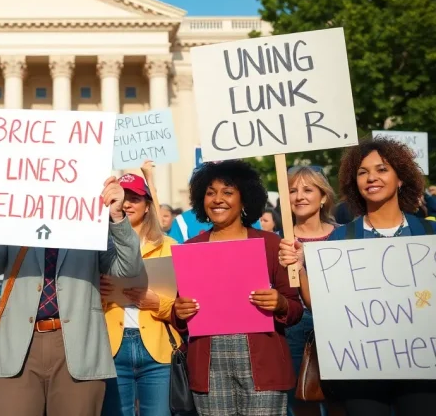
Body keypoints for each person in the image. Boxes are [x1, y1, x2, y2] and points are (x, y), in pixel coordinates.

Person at [0, 173, 143, 416]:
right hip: (17, 346)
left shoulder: (89, 216)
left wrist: (117, 217)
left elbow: (127, 267)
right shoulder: (13, 215)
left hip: (78, 346)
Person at [280, 137, 436, 416]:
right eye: (363, 172)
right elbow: (318, 303)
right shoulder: (341, 237)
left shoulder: (428, 234)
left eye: (382, 169)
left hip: (422, 370)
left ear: (401, 179)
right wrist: (302, 266)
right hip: (363, 373)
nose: (371, 178)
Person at [172, 160, 303, 416]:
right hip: (209, 367)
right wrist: (179, 311)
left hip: (263, 365)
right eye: (210, 192)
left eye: (227, 192)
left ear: (245, 199)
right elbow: (179, 314)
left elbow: (295, 309)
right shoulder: (190, 248)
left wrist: (280, 303)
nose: (217, 199)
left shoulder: (270, 243)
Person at [101, 166, 181, 416]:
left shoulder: (170, 245)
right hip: (111, 347)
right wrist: (97, 293)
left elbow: (185, 304)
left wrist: (158, 303)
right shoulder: (97, 245)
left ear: (148, 205)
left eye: (134, 198)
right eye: (122, 198)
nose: (127, 204)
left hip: (157, 347)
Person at [283, 166, 337, 416]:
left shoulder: (344, 236)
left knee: (341, 402)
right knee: (303, 401)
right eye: (292, 190)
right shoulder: (278, 240)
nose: (299, 196)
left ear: (323, 196)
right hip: (294, 329)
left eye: (307, 189)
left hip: (340, 326)